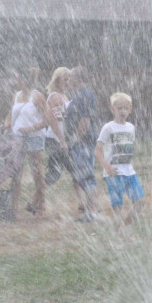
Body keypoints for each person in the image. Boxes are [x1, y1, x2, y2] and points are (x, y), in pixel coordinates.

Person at [5, 68, 65, 220]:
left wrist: (31, 129)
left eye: (19, 78)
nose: (17, 81)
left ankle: (42, 206)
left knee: (36, 173)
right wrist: (6, 125)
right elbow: (11, 113)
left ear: (27, 80)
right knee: (16, 173)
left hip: (34, 138)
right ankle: (13, 210)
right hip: (18, 138)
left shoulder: (37, 96)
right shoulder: (17, 95)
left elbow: (48, 119)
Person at [95, 92, 143, 225]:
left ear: (130, 109)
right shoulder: (108, 127)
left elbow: (131, 146)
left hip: (129, 172)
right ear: (113, 109)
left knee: (140, 201)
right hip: (114, 173)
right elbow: (97, 149)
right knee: (118, 207)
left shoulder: (131, 128)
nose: (122, 111)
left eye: (125, 108)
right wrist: (107, 166)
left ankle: (125, 226)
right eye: (119, 108)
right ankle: (117, 234)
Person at [64, 66, 99, 222]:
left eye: (71, 77)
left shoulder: (85, 94)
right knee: (83, 175)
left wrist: (76, 137)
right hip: (81, 141)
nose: (69, 80)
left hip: (83, 141)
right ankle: (89, 211)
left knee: (87, 176)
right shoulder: (80, 94)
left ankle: (92, 212)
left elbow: (85, 119)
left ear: (78, 78)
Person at [43, 67, 74, 188]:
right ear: (57, 81)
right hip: (55, 138)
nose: (67, 83)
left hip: (64, 138)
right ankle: (36, 200)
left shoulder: (65, 96)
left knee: (72, 170)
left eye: (69, 80)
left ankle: (35, 202)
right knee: (55, 172)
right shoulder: (54, 96)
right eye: (65, 80)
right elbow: (53, 120)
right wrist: (62, 141)